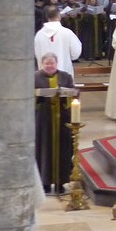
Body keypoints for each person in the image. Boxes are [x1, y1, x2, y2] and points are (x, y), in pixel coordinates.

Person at [34, 52, 76, 194]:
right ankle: (44, 182)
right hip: (43, 120)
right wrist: (38, 94)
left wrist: (69, 93)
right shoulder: (35, 77)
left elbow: (74, 93)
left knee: (62, 149)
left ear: (56, 64)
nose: (49, 66)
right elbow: (29, 96)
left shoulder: (65, 76)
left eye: (52, 63)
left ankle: (60, 182)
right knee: (43, 150)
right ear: (42, 64)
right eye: (47, 63)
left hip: (62, 119)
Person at [34, 6, 82, 77]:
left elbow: (37, 54)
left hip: (44, 75)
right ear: (59, 16)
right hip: (64, 73)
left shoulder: (39, 34)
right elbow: (76, 53)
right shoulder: (67, 32)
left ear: (47, 17)